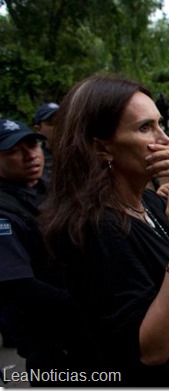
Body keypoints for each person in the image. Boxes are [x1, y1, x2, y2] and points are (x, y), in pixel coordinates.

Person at [40, 74, 169, 386]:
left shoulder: (148, 200)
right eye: (146, 128)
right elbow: (151, 350)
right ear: (102, 148)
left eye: (160, 124)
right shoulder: (98, 228)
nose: (165, 139)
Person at [0, 119, 92, 386]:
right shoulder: (4, 211)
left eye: (33, 145)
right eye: (14, 150)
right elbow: (20, 285)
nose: (30, 155)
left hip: (82, 335)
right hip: (51, 343)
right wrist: (86, 302)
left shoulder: (47, 188)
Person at [32, 102, 59, 182]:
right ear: (38, 129)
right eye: (52, 123)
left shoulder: (83, 151)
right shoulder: (33, 159)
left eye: (62, 120)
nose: (59, 126)